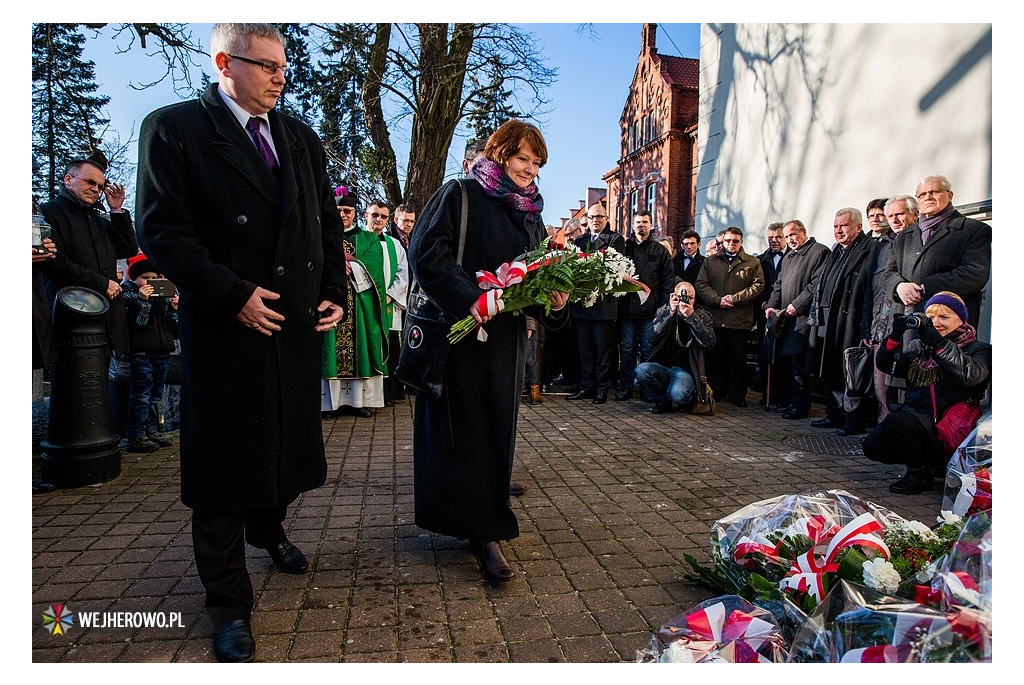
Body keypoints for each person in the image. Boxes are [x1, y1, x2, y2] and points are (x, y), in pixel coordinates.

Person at [135, 23, 347, 663]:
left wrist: (335, 287)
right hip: (228, 327)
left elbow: (325, 220)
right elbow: (163, 231)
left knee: (284, 444)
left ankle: (269, 525)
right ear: (225, 62)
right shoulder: (176, 128)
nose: (282, 77)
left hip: (292, 325)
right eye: (267, 66)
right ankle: (228, 605)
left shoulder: (300, 138)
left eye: (285, 65)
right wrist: (232, 296)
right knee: (224, 465)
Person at [408, 119, 568, 584]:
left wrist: (555, 299)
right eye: (523, 158)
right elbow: (427, 254)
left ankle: (481, 514)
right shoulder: (460, 194)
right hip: (461, 334)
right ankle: (485, 533)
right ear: (500, 153)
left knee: (495, 428)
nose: (529, 169)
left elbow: (533, 276)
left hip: (506, 342)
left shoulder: (531, 213)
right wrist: (470, 299)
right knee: (466, 431)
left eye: (537, 163)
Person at [863, 292, 990, 494]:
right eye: (930, 318)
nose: (936, 323)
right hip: (921, 422)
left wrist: (940, 344)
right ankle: (930, 464)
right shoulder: (920, 346)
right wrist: (894, 337)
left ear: (961, 319)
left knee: (898, 422)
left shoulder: (979, 349)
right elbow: (890, 367)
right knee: (872, 446)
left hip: (950, 427)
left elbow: (970, 376)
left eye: (944, 317)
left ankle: (918, 474)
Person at [39, 159, 138, 360]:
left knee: (101, 387)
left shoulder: (101, 221)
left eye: (100, 186)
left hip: (107, 318)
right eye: (89, 182)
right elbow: (54, 262)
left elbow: (127, 249)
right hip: (72, 316)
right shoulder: (48, 212)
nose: (96, 189)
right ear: (68, 179)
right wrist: (102, 284)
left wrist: (117, 211)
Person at [881, 175, 991, 329]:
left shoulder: (973, 230)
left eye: (935, 191)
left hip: (949, 323)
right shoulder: (904, 236)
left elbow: (974, 274)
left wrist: (925, 288)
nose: (928, 197)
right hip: (908, 321)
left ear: (950, 195)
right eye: (922, 194)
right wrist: (898, 286)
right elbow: (888, 273)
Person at [807, 208, 878, 435]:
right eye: (836, 226)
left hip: (852, 317)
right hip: (830, 317)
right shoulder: (836, 250)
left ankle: (854, 418)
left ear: (858, 227)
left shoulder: (870, 249)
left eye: (844, 226)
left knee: (852, 371)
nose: (838, 230)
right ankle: (834, 412)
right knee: (832, 367)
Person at [322, 192, 388, 418]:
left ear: (355, 213)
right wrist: (335, 262)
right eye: (339, 211)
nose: (343, 215)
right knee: (329, 349)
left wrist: (351, 263)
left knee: (359, 348)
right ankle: (330, 405)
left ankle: (358, 402)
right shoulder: (323, 235)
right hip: (330, 300)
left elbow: (374, 263)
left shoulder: (367, 238)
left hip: (358, 303)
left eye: (347, 211)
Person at [764, 220, 830, 420]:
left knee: (799, 365)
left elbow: (816, 285)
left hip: (803, 318)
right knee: (786, 365)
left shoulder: (819, 252)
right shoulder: (788, 257)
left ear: (804, 232)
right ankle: (788, 400)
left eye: (793, 234)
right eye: (787, 236)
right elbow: (779, 284)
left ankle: (800, 405)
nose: (791, 239)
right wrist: (770, 306)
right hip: (785, 319)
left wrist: (797, 305)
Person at [695, 226, 764, 407]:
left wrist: (735, 299)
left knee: (738, 361)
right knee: (715, 360)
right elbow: (701, 284)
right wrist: (717, 300)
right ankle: (716, 392)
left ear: (741, 242)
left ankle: (737, 396)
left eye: (735, 241)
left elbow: (758, 286)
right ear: (722, 241)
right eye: (727, 241)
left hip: (739, 320)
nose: (731, 244)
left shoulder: (753, 263)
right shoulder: (710, 262)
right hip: (716, 318)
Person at [567, 203, 626, 404]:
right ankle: (586, 387)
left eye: (599, 217)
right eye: (591, 217)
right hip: (582, 306)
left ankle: (602, 390)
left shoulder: (615, 240)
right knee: (585, 351)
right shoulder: (581, 241)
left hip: (603, 308)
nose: (595, 220)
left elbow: (611, 268)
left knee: (603, 352)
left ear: (606, 219)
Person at [120, 253, 179, 453]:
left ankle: (152, 430)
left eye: (155, 278)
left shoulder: (161, 297)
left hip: (162, 350)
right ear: (134, 278)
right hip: (141, 351)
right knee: (141, 395)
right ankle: (136, 434)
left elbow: (175, 327)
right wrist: (142, 301)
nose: (151, 282)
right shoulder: (128, 295)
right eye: (146, 278)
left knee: (155, 395)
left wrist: (173, 308)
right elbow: (137, 324)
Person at [616, 210, 674, 401]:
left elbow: (667, 281)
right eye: (638, 222)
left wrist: (663, 308)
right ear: (632, 225)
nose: (641, 225)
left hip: (651, 312)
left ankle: (647, 389)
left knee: (649, 350)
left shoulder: (660, 251)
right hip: (627, 310)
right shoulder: (623, 248)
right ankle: (625, 387)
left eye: (645, 222)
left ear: (651, 225)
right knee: (627, 350)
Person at [635, 280, 716, 413]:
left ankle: (684, 398)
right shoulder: (665, 310)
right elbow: (650, 337)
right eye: (682, 296)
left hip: (686, 370)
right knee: (641, 370)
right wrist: (670, 314)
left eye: (690, 297)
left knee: (678, 396)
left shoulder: (701, 315)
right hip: (663, 366)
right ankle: (662, 401)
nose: (686, 300)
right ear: (674, 296)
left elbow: (709, 341)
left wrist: (691, 317)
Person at [860, 197, 901, 423]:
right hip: (877, 322)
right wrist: (868, 327)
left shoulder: (894, 243)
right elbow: (870, 288)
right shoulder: (873, 245)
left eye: (880, 215)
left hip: (896, 319)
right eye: (872, 216)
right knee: (879, 378)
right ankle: (882, 418)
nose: (876, 219)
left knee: (896, 378)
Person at [365, 201, 409, 406]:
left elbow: (403, 273)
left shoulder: (394, 244)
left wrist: (390, 295)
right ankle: (366, 395)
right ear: (366, 215)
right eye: (375, 215)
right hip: (362, 304)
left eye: (383, 216)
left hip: (388, 304)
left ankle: (388, 393)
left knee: (389, 347)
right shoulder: (355, 240)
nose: (379, 220)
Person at [754, 222, 788, 407]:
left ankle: (783, 395)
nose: (774, 241)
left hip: (787, 314)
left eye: (778, 237)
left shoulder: (791, 257)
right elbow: (757, 288)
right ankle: (768, 394)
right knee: (765, 354)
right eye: (770, 238)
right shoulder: (760, 260)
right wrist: (765, 306)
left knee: (783, 356)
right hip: (765, 314)